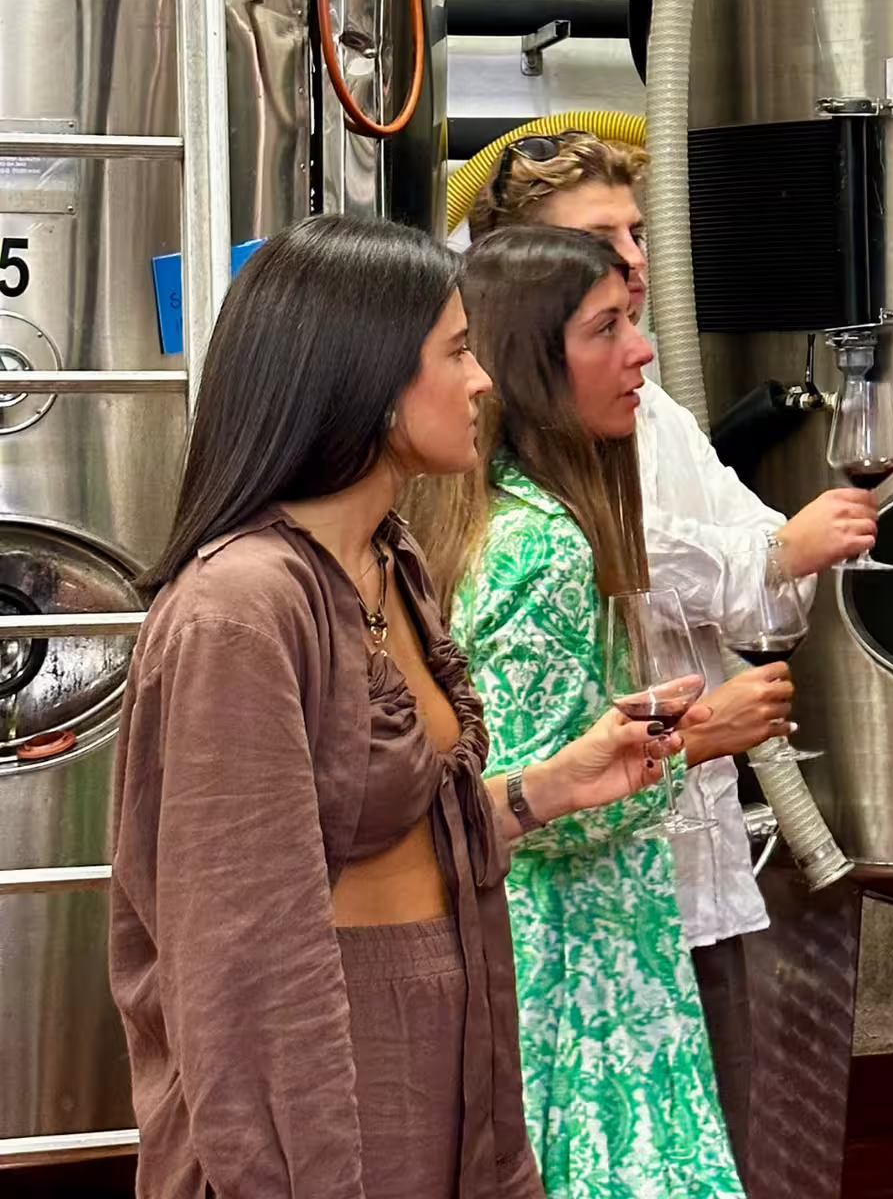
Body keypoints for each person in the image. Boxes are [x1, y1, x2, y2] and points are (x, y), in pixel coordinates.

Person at [110, 214, 683, 1199]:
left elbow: (392, 839)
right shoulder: (242, 609)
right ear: (367, 379)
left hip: (449, 1064)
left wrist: (552, 787)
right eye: (458, 352)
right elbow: (242, 964)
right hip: (335, 1088)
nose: (484, 381)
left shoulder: (388, 560)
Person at [468, 132, 877, 1165]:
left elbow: (766, 606)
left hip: (665, 875)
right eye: (599, 248)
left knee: (702, 1132)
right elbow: (533, 789)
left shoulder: (652, 413)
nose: (635, 265)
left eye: (636, 235)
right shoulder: (525, 529)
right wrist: (707, 726)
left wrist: (776, 564)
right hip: (578, 925)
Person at [415, 224, 744, 1198]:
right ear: (532, 360)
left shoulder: (485, 518)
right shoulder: (546, 550)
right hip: (579, 989)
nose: (641, 351)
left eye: (634, 322)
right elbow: (527, 804)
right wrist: (685, 746)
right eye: (608, 329)